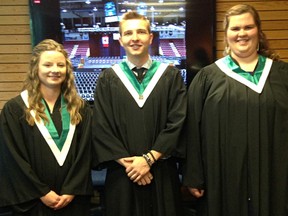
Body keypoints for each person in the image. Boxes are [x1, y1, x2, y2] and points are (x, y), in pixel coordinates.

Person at [183, 4, 288, 216]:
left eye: (248, 27)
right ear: (226, 34)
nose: (242, 33)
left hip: (274, 176)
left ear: (258, 30)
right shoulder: (207, 78)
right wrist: (194, 175)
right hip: (221, 177)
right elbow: (192, 129)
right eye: (235, 28)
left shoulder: (282, 75)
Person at [92, 11, 187, 216]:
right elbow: (101, 126)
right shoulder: (108, 78)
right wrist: (132, 165)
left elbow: (178, 122)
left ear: (150, 37)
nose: (135, 38)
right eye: (128, 33)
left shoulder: (170, 76)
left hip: (161, 172)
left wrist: (148, 160)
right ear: (120, 40)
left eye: (141, 32)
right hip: (122, 175)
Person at [0, 39, 93, 215]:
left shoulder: (80, 108)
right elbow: (12, 157)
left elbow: (85, 152)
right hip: (34, 201)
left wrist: (71, 189)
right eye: (48, 65)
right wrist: (41, 192)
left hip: (73, 200)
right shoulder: (15, 109)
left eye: (60, 65)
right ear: (36, 68)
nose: (55, 70)